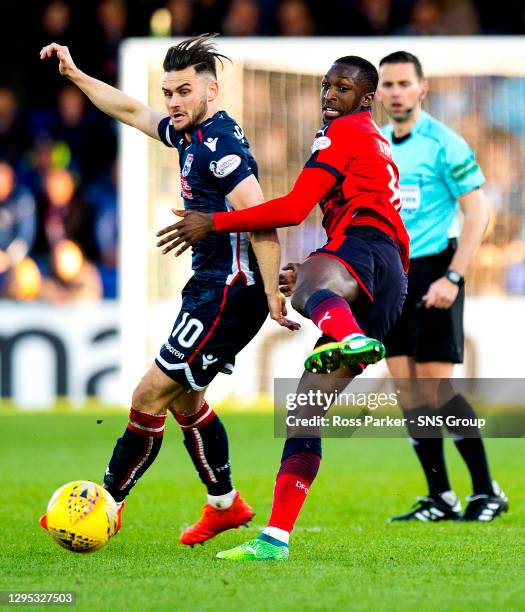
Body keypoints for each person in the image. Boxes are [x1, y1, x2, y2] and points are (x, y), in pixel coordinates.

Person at [38, 34, 298, 546]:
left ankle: (102, 504)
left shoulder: (221, 145)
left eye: (183, 91)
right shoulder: (188, 134)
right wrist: (74, 74)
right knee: (185, 400)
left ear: (211, 91)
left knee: (149, 393)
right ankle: (224, 505)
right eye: (169, 92)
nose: (173, 102)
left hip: (228, 291)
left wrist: (270, 292)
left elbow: (263, 218)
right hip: (209, 285)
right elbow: (132, 110)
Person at [156, 55, 409, 559]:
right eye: (326, 86)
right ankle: (275, 539)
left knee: (309, 275)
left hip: (364, 246)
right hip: (391, 278)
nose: (330, 96)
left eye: (343, 89)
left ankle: (348, 335)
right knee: (304, 411)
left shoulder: (341, 134)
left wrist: (214, 221)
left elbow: (293, 209)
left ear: (365, 100)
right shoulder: (376, 141)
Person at [376, 51, 508, 522]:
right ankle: (441, 496)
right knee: (406, 392)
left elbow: (478, 213)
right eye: (386, 85)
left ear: (421, 88)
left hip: (435, 269)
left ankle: (486, 491)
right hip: (394, 276)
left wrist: (454, 275)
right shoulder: (380, 144)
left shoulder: (444, 143)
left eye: (402, 84)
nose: (394, 93)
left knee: (436, 390)